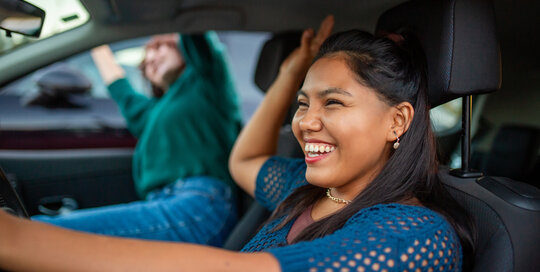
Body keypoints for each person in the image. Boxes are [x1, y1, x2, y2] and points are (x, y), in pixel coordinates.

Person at [0, 15, 475, 271]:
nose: (306, 122)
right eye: (302, 103)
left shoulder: (414, 236)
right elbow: (243, 159)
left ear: (398, 120)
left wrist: (17, 238)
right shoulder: (305, 189)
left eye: (333, 103)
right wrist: (291, 70)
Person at [32, 32, 243, 246]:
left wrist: (173, 14)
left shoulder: (207, 82)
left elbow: (196, 33)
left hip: (200, 204)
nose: (151, 58)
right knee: (43, 230)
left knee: (38, 234)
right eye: (146, 57)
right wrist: (94, 39)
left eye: (160, 48)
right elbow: (118, 84)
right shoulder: (151, 111)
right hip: (161, 202)